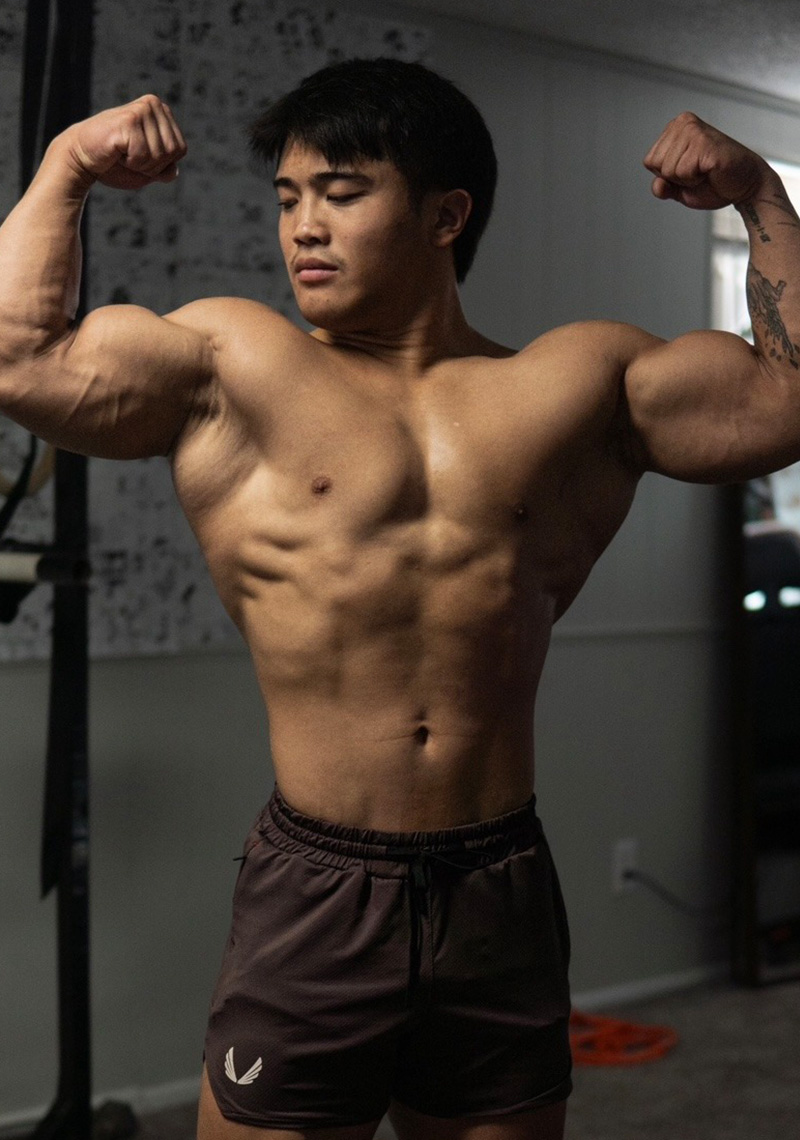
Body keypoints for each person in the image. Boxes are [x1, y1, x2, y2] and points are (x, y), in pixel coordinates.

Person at [1, 56, 798, 1140]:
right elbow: (23, 358)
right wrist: (65, 167)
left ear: (443, 215)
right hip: (320, 885)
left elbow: (780, 402)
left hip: (497, 880)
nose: (302, 228)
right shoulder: (235, 362)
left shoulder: (571, 382)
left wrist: (761, 193)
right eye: (287, 199)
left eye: (340, 192)